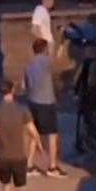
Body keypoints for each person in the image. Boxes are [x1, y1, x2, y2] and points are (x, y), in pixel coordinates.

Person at [23, 39, 64, 178]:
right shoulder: (46, 61)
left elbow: (25, 86)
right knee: (52, 135)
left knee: (35, 134)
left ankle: (28, 165)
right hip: (46, 103)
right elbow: (58, 59)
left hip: (32, 102)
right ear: (45, 49)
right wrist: (63, 43)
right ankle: (52, 167)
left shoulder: (28, 65)